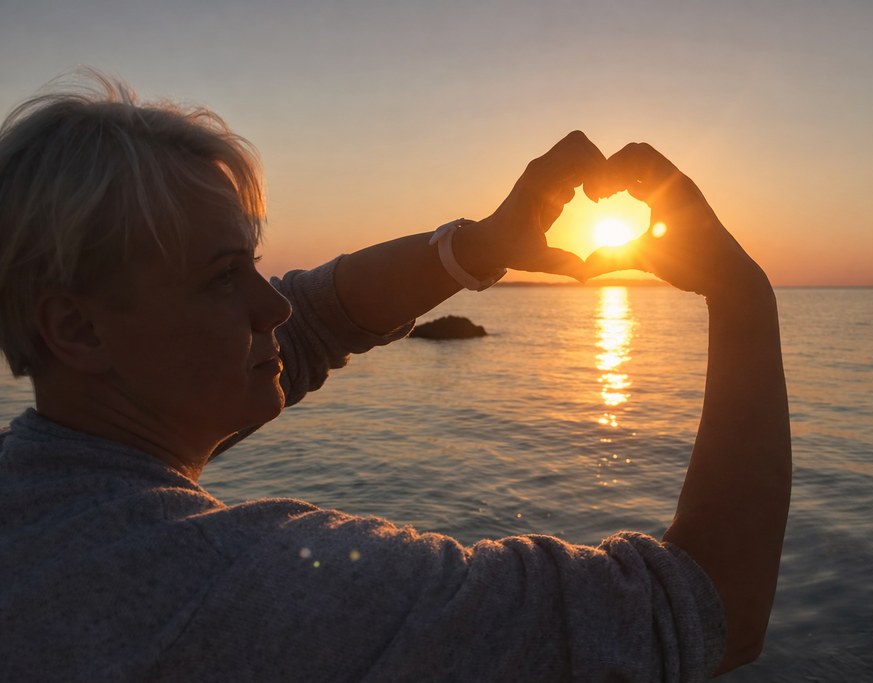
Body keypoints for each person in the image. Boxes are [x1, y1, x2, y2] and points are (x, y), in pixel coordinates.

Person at [0, 72, 790, 682]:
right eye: (222, 276)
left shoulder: (40, 492)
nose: (270, 302)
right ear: (76, 328)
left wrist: (477, 248)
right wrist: (741, 292)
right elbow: (702, 608)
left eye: (257, 265)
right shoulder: (231, 589)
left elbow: (309, 320)